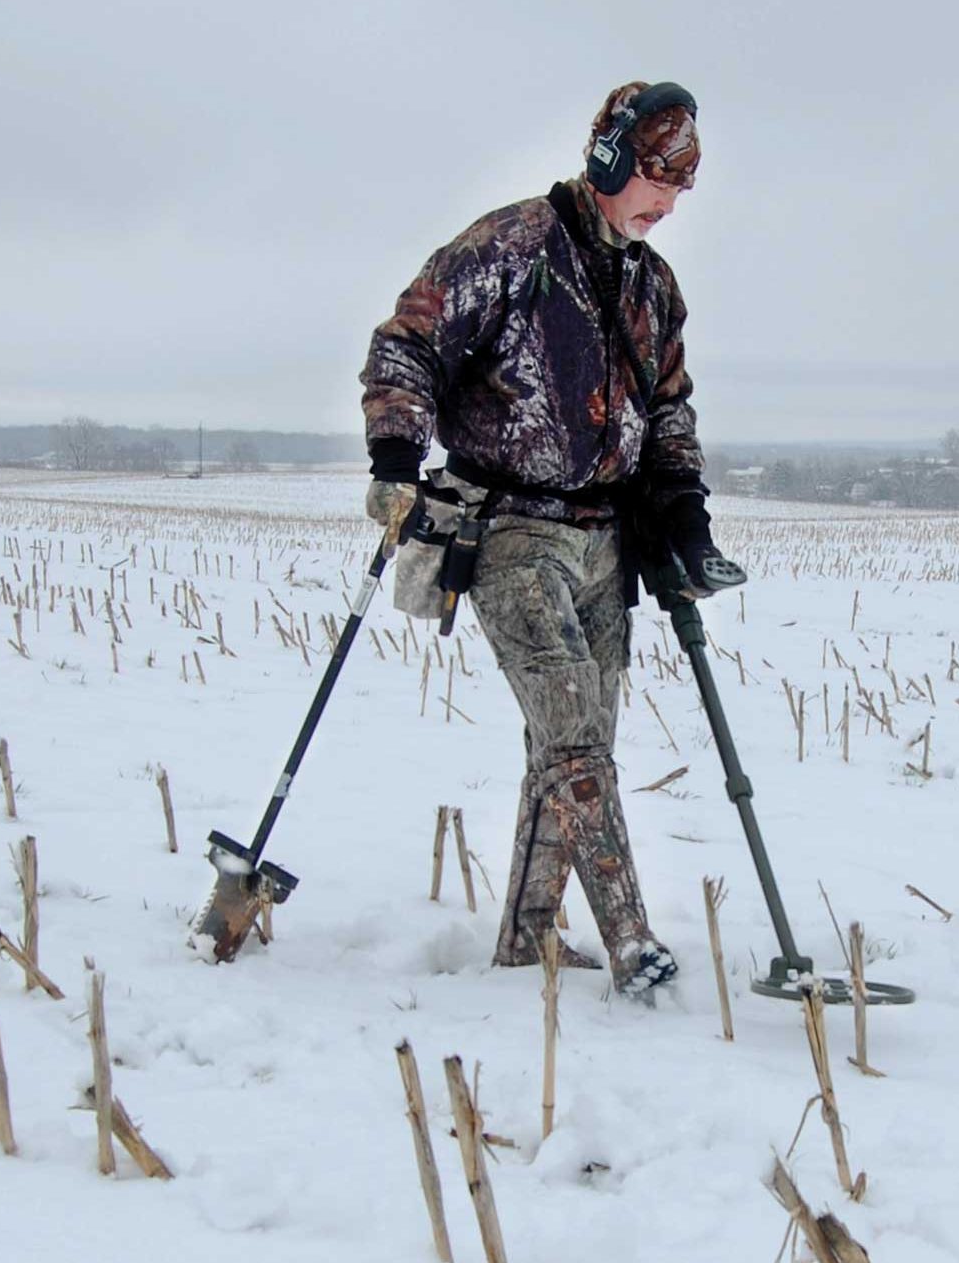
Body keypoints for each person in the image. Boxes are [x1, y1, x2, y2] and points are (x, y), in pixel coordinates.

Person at [360, 81, 739, 996]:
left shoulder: (653, 286)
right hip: (509, 529)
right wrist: (396, 454)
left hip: (606, 537)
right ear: (608, 159)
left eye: (683, 185)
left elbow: (669, 407)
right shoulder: (514, 243)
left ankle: (526, 941)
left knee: (569, 750)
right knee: (574, 732)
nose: (668, 200)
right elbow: (407, 341)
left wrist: (681, 508)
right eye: (656, 176)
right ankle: (633, 944)